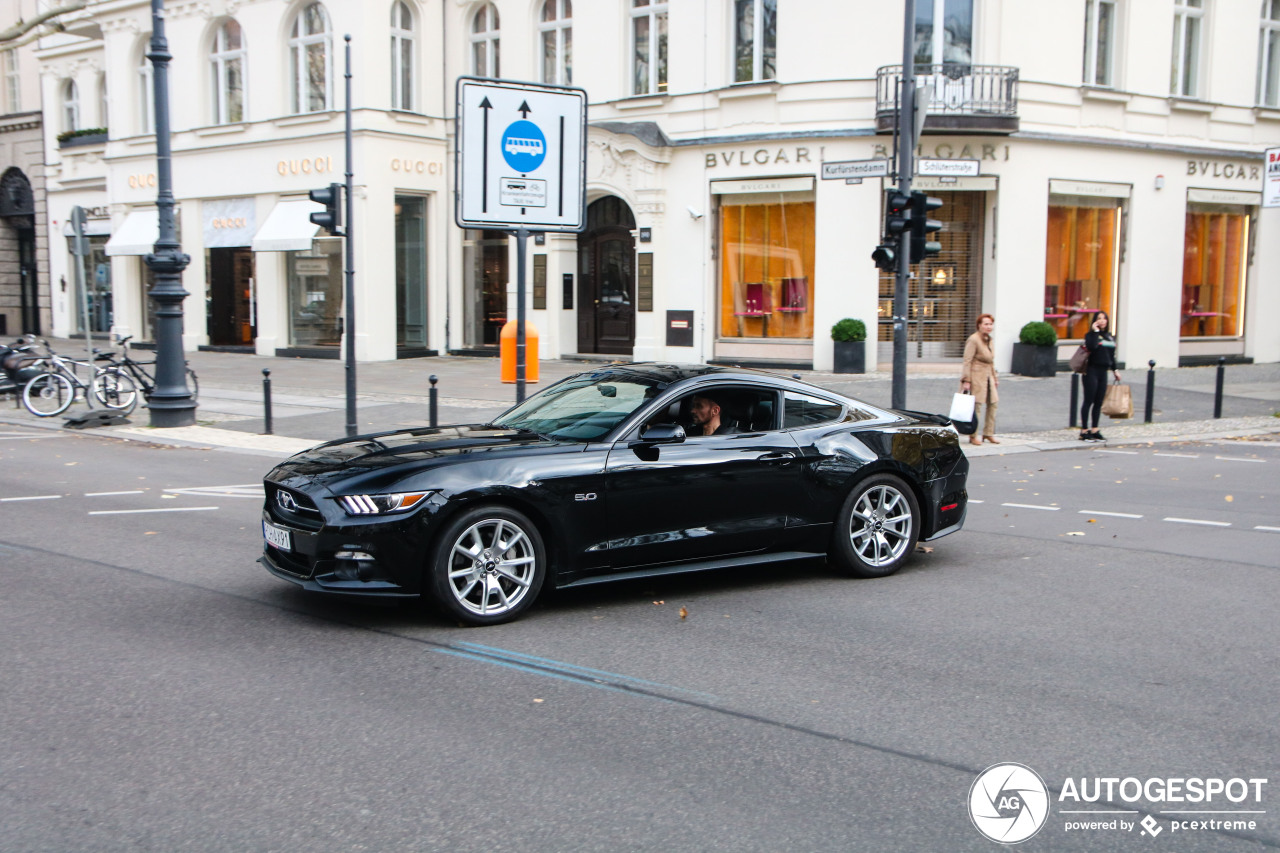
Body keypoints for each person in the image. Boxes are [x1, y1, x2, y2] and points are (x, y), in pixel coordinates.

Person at [1079, 310, 1121, 441]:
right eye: (1099, 318)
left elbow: (1111, 355)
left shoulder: (1109, 336)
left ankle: (1095, 429)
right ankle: (1084, 430)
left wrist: (1115, 370)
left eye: (1104, 318)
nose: (1102, 321)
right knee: (1089, 400)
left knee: (1098, 402)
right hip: (1091, 370)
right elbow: (1092, 347)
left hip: (1103, 372)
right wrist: (1095, 331)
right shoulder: (1090, 335)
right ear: (1095, 321)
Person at [960, 314, 999, 446]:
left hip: (988, 375)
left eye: (990, 324)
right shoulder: (974, 339)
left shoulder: (989, 339)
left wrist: (995, 377)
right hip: (976, 375)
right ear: (979, 325)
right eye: (986, 324)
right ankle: (973, 435)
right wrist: (966, 380)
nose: (989, 327)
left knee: (993, 403)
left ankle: (988, 433)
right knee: (976, 405)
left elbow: (991, 361)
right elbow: (967, 360)